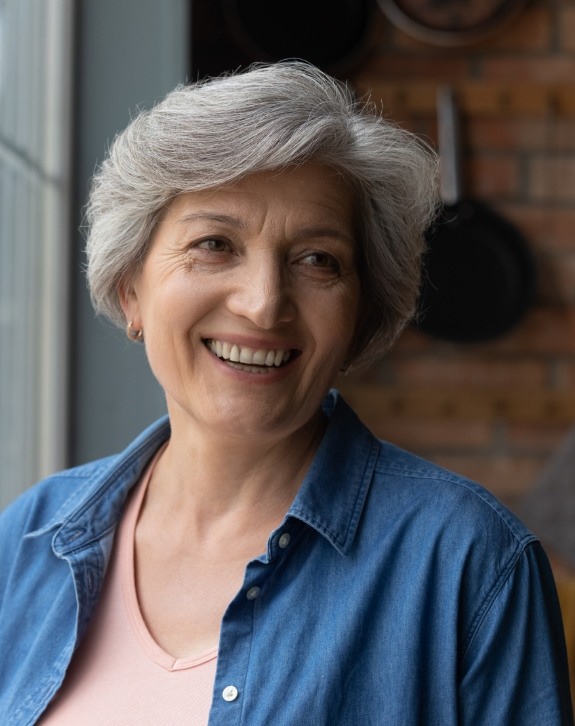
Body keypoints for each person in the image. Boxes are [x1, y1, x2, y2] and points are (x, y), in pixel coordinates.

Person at [0, 62, 572, 725]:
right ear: (131, 290)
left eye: (316, 260)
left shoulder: (470, 564)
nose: (264, 304)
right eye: (214, 245)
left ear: (359, 315)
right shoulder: (28, 539)